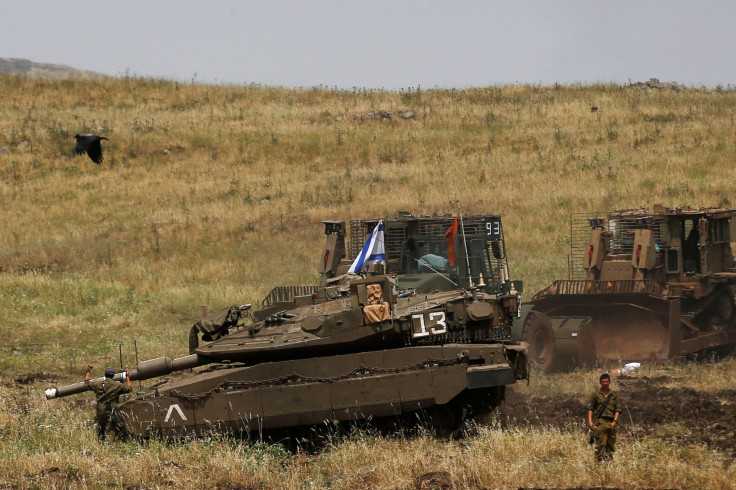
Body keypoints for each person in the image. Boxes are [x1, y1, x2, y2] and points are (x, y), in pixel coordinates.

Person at [84, 364, 132, 442]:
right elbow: (129, 388)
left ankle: (101, 442)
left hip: (101, 410)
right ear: (113, 375)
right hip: (113, 409)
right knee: (117, 427)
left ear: (105, 375)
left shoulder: (98, 384)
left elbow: (86, 383)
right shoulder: (117, 385)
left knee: (101, 429)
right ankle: (117, 441)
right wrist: (127, 376)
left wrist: (88, 371)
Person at [587, 373, 622, 462]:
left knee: (610, 445)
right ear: (600, 383)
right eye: (603, 382)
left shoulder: (614, 395)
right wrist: (590, 422)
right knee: (600, 444)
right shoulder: (596, 395)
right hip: (600, 422)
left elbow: (617, 410)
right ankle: (597, 464)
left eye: (606, 381)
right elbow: (590, 409)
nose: (605, 383)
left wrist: (615, 421)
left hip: (611, 423)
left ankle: (609, 463)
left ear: (609, 382)